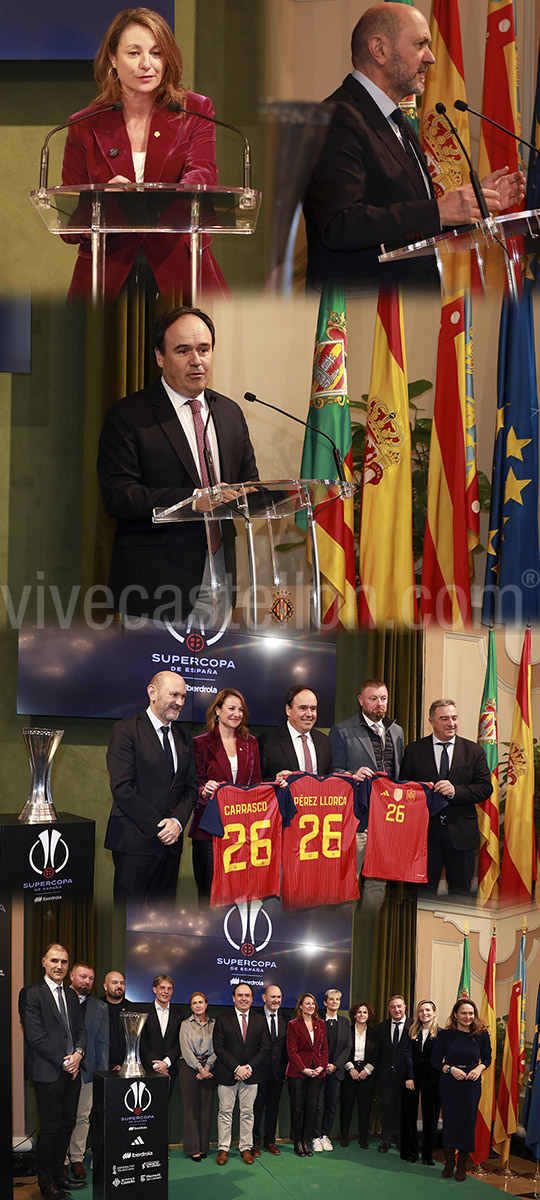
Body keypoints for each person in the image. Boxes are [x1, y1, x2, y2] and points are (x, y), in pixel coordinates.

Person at [303, 3, 525, 289]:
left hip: (407, 312)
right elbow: (339, 224)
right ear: (379, 49)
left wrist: (474, 204)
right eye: (420, 44)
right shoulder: (335, 117)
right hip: (362, 313)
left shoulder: (398, 120)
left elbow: (407, 217)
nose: (431, 58)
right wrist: (438, 211)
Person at [97, 306, 259, 623]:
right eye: (183, 350)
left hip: (220, 577)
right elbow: (119, 495)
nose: (196, 360)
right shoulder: (129, 415)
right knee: (155, 674)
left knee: (213, 672)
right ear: (160, 356)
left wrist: (252, 495)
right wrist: (191, 500)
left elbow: (248, 481)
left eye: (204, 349)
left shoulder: (229, 412)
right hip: (155, 582)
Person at [61, 7, 228, 301]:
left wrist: (164, 197)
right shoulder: (84, 125)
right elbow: (68, 219)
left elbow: (202, 174)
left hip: (180, 269)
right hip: (106, 274)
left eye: (156, 53)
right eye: (134, 53)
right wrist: (103, 198)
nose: (147, 65)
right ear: (112, 58)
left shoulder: (195, 110)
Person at [105, 669, 198, 903]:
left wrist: (176, 823)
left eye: (184, 697)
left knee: (162, 923)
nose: (179, 702)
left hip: (171, 846)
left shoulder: (184, 736)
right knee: (126, 921)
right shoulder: (126, 730)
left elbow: (191, 787)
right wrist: (160, 827)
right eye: (174, 695)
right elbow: (122, 788)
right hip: (134, 844)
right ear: (152, 692)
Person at [399, 699, 493, 897]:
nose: (451, 723)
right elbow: (404, 789)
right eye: (444, 718)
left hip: (462, 836)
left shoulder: (474, 751)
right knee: (422, 896)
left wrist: (455, 791)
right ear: (431, 721)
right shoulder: (414, 750)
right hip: (425, 837)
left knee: (461, 895)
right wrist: (421, 791)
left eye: (454, 718)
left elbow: (485, 789)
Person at [330, 678, 404, 911]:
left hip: (386, 821)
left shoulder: (397, 731)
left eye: (383, 699)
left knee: (377, 883)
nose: (379, 704)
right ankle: (345, 930)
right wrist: (352, 774)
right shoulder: (342, 731)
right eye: (373, 699)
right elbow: (332, 773)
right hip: (356, 820)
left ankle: (370, 924)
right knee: (348, 881)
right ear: (361, 701)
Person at [21, 945, 87, 1200]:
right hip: (48, 1072)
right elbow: (36, 1036)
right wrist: (65, 1061)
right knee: (49, 1129)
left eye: (64, 962)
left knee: (67, 1126)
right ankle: (46, 1183)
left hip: (72, 1072)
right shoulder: (31, 993)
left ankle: (60, 1176)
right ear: (44, 962)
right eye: (55, 961)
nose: (59, 966)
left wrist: (79, 1053)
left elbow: (81, 1030)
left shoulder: (71, 996)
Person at [189, 688, 262, 902]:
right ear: (217, 711)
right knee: (209, 897)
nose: (236, 714)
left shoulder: (251, 743)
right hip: (209, 832)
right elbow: (195, 785)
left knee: (238, 896)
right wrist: (205, 791)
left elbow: (256, 782)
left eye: (241, 710)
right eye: (231, 708)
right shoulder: (200, 743)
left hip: (242, 832)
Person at [432, 999, 491, 1182]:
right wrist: (451, 1069)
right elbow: (434, 1062)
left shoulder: (481, 1034)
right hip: (450, 1083)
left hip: (471, 1085)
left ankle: (462, 1166)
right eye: (464, 1013)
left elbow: (487, 1059)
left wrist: (478, 1069)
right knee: (450, 1122)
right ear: (456, 1014)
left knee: (467, 1123)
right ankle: (449, 1163)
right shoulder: (444, 1035)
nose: (468, 1017)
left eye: (471, 1013)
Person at [212, 982, 271, 1165]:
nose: (243, 998)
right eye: (240, 995)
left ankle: (245, 1147)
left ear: (252, 999)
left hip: (251, 1075)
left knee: (247, 1113)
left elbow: (264, 1047)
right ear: (233, 998)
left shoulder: (260, 1020)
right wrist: (236, 1068)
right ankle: (223, 1148)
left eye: (247, 995)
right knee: (225, 1112)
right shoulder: (222, 1018)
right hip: (227, 1074)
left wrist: (248, 1068)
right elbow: (219, 1048)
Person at [66, 962, 109, 1184]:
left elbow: (103, 1043)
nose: (86, 982)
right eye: (83, 977)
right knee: (62, 1118)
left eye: (90, 978)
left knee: (83, 1117)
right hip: (60, 1071)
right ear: (72, 975)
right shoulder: (59, 999)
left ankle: (76, 1159)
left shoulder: (99, 1007)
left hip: (88, 1072)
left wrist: (100, 1072)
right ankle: (60, 1162)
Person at [258, 685, 332, 782]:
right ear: (288, 710)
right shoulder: (267, 741)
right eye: (303, 708)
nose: (309, 714)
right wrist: (274, 782)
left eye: (313, 708)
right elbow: (257, 783)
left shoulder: (324, 741)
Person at [286, 992, 329, 1158]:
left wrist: (321, 1067)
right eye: (307, 1003)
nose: (310, 1006)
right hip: (298, 1074)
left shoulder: (321, 1024)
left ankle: (306, 1140)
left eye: (313, 1004)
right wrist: (303, 1068)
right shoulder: (293, 1024)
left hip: (316, 1074)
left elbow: (324, 1049)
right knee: (297, 1109)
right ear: (300, 1006)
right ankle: (297, 1142)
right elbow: (292, 1050)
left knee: (311, 1109)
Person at [401, 999, 440, 1166]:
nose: (424, 1013)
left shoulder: (442, 1034)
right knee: (409, 1115)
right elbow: (407, 1055)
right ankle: (411, 1153)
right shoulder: (411, 1032)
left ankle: (427, 1155)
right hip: (413, 1077)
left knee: (430, 1117)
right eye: (421, 1010)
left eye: (428, 1010)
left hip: (433, 1078)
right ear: (418, 1014)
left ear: (434, 1012)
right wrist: (409, 1077)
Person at [312, 988, 351, 1152]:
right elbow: (313, 1046)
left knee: (331, 1105)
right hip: (318, 1070)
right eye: (332, 999)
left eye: (337, 999)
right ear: (325, 1002)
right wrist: (322, 1065)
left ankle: (325, 1135)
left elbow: (347, 1047)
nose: (335, 1002)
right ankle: (315, 1137)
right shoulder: (317, 1020)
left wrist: (335, 1065)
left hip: (336, 1071)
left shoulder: (345, 1022)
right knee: (317, 1105)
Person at [179, 991, 216, 1161]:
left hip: (209, 1069)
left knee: (206, 1110)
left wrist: (207, 1067)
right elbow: (185, 1050)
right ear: (191, 1006)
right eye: (194, 1003)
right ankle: (193, 1148)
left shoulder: (215, 1024)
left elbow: (218, 1048)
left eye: (201, 1002)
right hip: (189, 1068)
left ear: (206, 1004)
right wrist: (199, 1069)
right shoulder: (185, 1024)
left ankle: (203, 1147)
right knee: (190, 1110)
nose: (198, 1005)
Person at [252, 985, 288, 1156]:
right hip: (258, 1071)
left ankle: (270, 1141)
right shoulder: (254, 1017)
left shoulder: (286, 1018)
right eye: (273, 996)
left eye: (279, 997)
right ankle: (254, 1143)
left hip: (278, 1073)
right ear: (264, 997)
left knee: (273, 1109)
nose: (276, 1000)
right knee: (256, 1109)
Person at [377, 994, 412, 1153]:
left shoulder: (414, 1025)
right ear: (389, 1009)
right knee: (387, 1108)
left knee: (403, 1109)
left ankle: (400, 1139)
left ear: (404, 1007)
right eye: (393, 1007)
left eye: (399, 1006)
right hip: (387, 1076)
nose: (396, 1009)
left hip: (406, 1077)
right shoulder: (382, 1027)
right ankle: (386, 1139)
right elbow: (380, 1052)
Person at [340, 1001, 379, 1149]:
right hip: (349, 1073)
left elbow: (377, 1054)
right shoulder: (347, 1032)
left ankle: (363, 1138)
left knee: (365, 1108)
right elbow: (342, 1051)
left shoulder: (375, 1034)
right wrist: (351, 1069)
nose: (362, 1015)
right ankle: (344, 1137)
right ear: (354, 1015)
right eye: (359, 1012)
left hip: (367, 1075)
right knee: (347, 1107)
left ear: (369, 1015)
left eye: (365, 1012)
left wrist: (366, 1070)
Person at [139, 974, 184, 1092]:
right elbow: (141, 1042)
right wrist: (157, 1066)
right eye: (162, 988)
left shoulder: (179, 1014)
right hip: (148, 1069)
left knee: (165, 1107)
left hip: (170, 1069)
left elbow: (180, 1042)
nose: (166, 991)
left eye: (169, 989)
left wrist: (166, 1063)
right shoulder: (143, 1012)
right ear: (155, 990)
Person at [101, 971, 134, 1070]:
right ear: (106, 986)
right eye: (115, 983)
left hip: (125, 1067)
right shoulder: (96, 1006)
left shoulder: (132, 1009)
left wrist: (124, 1063)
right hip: (101, 1066)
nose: (119, 986)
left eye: (122, 983)